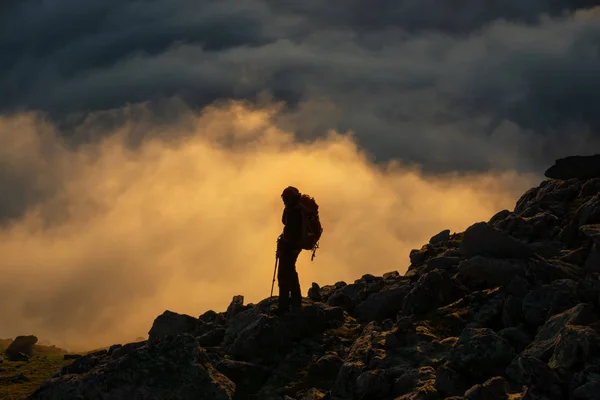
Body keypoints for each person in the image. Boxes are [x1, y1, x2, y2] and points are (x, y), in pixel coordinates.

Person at [276, 186, 304, 314]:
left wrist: (282, 247)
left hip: (290, 247)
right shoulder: (296, 210)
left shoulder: (293, 212)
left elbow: (291, 232)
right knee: (290, 271)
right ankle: (295, 301)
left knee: (284, 274)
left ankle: (285, 305)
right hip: (294, 247)